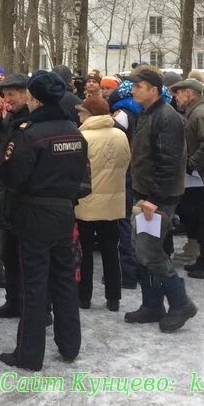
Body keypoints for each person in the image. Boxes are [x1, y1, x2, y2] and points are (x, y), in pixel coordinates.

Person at [0, 71, 89, 370]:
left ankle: (29, 353)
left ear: (34, 98)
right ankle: (70, 344)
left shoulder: (28, 133)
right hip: (64, 212)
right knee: (64, 280)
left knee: (34, 286)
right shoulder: (75, 131)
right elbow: (83, 179)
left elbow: (12, 177)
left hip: (34, 214)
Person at [123, 67, 196, 332]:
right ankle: (152, 305)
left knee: (150, 252)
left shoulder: (166, 118)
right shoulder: (148, 114)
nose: (133, 90)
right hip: (146, 196)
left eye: (138, 86)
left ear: (153, 90)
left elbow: (169, 161)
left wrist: (154, 198)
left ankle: (181, 303)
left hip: (158, 199)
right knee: (143, 250)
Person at [74, 96, 130, 311]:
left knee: (85, 252)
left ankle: (84, 296)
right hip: (113, 202)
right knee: (110, 251)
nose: (79, 115)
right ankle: (114, 297)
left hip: (86, 202)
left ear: (89, 114)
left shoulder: (82, 136)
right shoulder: (120, 135)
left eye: (81, 112)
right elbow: (126, 162)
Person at [0, 73, 32, 319]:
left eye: (12, 94)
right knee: (9, 253)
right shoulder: (8, 119)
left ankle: (36, 307)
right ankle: (13, 300)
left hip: (25, 198)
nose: (7, 99)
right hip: (4, 194)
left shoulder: (33, 120)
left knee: (27, 257)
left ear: (27, 94)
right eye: (4, 94)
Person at [169, 78, 204, 280]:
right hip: (202, 176)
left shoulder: (201, 114)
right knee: (202, 220)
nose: (176, 97)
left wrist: (190, 163)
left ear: (191, 94)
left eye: (179, 93)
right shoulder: (199, 112)